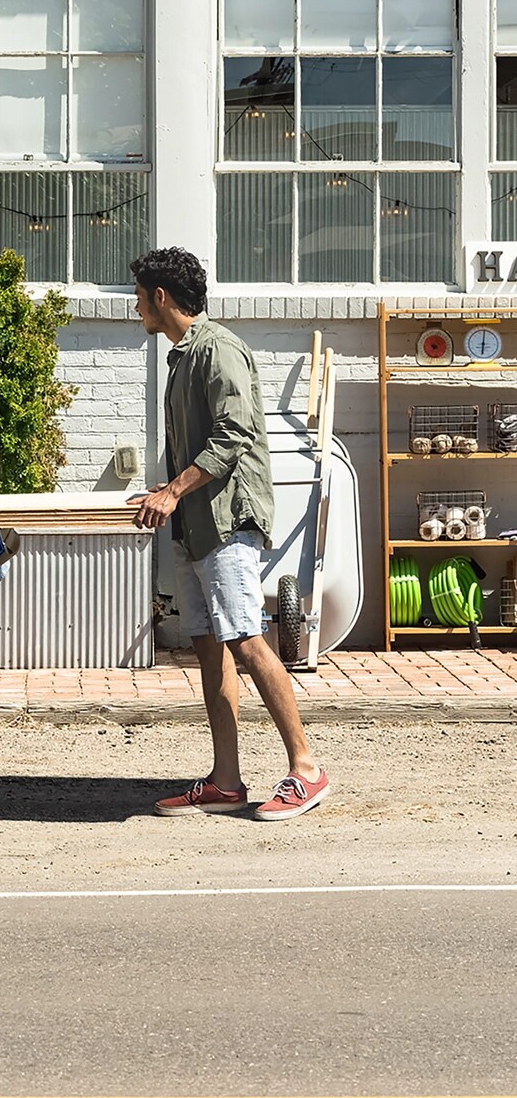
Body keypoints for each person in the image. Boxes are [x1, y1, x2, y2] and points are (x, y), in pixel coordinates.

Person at [129, 247, 330, 821]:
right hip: (196, 523)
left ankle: (306, 769)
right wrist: (169, 492)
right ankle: (226, 781)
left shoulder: (217, 348)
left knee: (245, 639)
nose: (136, 308)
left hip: (228, 521)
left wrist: (172, 491)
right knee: (208, 645)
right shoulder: (182, 356)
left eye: (140, 297)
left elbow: (233, 434)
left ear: (160, 297)